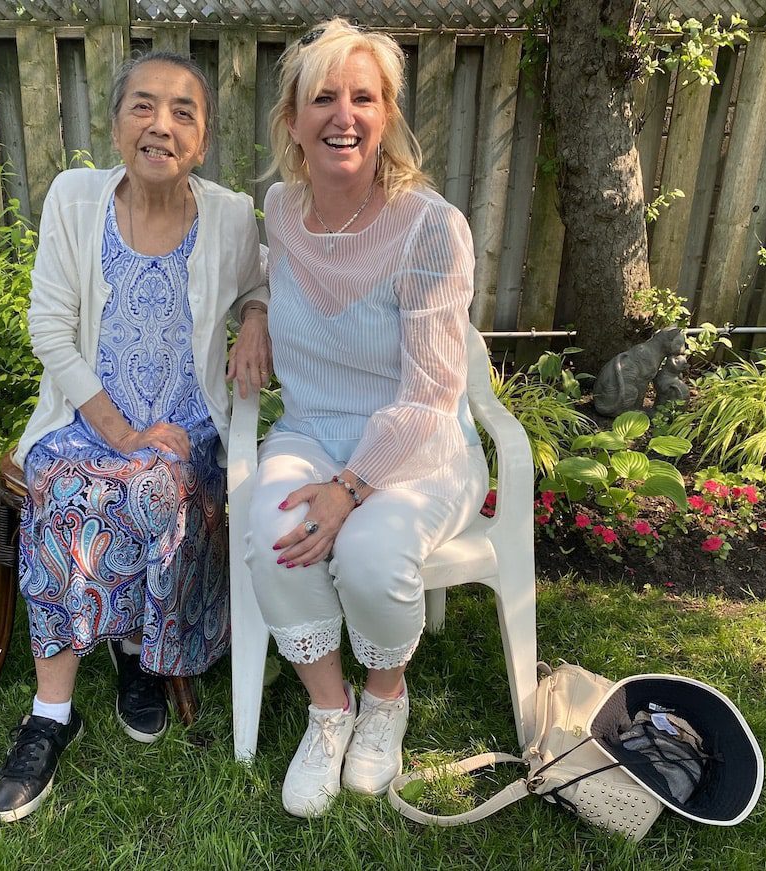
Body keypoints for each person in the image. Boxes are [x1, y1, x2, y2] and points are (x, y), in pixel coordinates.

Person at [0, 51, 270, 823]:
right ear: (116, 125)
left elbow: (261, 279)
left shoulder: (233, 214)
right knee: (71, 488)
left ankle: (141, 656)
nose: (161, 125)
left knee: (153, 484)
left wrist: (254, 317)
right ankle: (51, 715)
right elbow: (48, 324)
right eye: (143, 106)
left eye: (183, 111)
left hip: (184, 431)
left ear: (203, 140)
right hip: (85, 420)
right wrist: (118, 428)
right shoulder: (75, 200)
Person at [244, 19, 489, 818]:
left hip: (418, 444)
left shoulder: (431, 228)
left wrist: (350, 488)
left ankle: (387, 693)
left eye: (363, 97)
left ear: (386, 116)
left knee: (375, 549)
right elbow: (263, 274)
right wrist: (253, 313)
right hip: (312, 427)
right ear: (292, 121)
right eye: (323, 98)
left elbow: (430, 394)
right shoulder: (280, 208)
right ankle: (330, 708)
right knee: (271, 528)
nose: (342, 115)